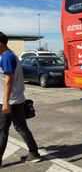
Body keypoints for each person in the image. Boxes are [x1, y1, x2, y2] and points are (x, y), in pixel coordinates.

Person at [0, 32, 42, 167]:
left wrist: (5, 102)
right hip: (16, 100)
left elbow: (9, 80)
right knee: (21, 127)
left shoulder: (7, 57)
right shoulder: (9, 55)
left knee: (2, 130)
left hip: (9, 101)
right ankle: (34, 153)